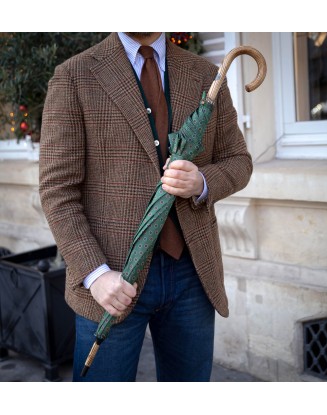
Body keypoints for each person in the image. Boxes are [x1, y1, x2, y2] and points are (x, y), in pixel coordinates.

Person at [39, 32, 253, 382]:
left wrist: (201, 181)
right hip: (111, 279)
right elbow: (57, 191)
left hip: (192, 274)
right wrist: (94, 275)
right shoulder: (74, 76)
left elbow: (239, 161)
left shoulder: (204, 74)